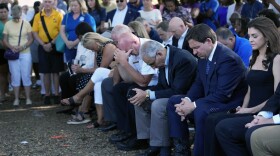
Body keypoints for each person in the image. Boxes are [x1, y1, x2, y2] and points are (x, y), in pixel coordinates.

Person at [166, 24, 248, 156]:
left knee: (201, 110)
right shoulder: (204, 56)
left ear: (208, 41)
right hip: (211, 99)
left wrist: (193, 105)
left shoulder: (228, 59)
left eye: (196, 47)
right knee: (174, 102)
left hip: (228, 103)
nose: (194, 52)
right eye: (192, 49)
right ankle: (181, 149)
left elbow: (223, 95)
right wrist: (187, 100)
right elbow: (198, 84)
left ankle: (200, 152)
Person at [214, 17, 280, 156]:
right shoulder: (252, 58)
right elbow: (249, 90)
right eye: (249, 36)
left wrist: (251, 110)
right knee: (214, 119)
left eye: (254, 36)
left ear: (267, 36)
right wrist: (243, 108)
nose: (250, 39)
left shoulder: (277, 59)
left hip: (266, 111)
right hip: (251, 110)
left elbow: (277, 96)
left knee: (223, 127)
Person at [133, 40, 197, 155]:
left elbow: (178, 90)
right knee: (139, 100)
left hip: (186, 97)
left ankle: (162, 147)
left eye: (152, 64)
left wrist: (147, 94)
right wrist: (144, 93)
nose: (153, 68)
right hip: (173, 94)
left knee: (158, 105)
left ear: (159, 54)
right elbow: (162, 86)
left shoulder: (183, 59)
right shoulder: (163, 59)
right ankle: (149, 142)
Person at [106, 24, 158, 151]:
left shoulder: (148, 47)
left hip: (156, 85)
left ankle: (139, 138)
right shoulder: (130, 48)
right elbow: (129, 79)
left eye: (117, 42)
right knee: (118, 89)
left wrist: (124, 62)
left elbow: (144, 82)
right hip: (142, 83)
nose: (130, 53)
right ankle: (126, 130)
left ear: (134, 41)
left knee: (132, 92)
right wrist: (120, 63)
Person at [61, 32, 115, 125]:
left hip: (113, 74)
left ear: (96, 42)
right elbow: (95, 68)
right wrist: (82, 70)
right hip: (102, 74)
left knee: (90, 76)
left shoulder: (109, 46)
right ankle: (89, 114)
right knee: (90, 80)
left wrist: (82, 70)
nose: (92, 50)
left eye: (92, 48)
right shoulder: (97, 50)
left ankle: (81, 105)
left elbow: (101, 68)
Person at [32, 0, 64, 105]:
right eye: (45, 2)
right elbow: (35, 32)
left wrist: (51, 43)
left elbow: (61, 32)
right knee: (45, 72)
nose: (47, 4)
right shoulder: (38, 16)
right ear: (43, 3)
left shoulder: (58, 15)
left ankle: (56, 94)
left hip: (55, 46)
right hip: (42, 46)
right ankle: (46, 95)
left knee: (55, 71)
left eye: (49, 2)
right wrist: (43, 45)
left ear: (53, 3)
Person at [59, 22, 95, 111]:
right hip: (80, 67)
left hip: (88, 70)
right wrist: (75, 66)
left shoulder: (94, 42)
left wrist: (80, 69)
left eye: (79, 36)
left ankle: (78, 102)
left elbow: (91, 62)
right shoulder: (81, 43)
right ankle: (70, 103)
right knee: (63, 77)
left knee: (73, 78)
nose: (79, 38)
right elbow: (78, 58)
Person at [3, 5, 34, 106]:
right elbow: (4, 40)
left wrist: (22, 47)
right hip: (13, 53)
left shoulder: (26, 24)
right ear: (12, 15)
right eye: (15, 17)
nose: (17, 19)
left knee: (26, 75)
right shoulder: (8, 24)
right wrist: (11, 47)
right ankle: (16, 98)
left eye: (18, 17)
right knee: (15, 75)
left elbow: (31, 39)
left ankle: (28, 98)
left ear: (21, 14)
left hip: (25, 53)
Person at [246, 82, 280, 156]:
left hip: (276, 117)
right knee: (225, 127)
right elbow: (277, 96)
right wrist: (262, 117)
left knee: (255, 136)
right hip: (271, 114)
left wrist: (272, 120)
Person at [0, 3, 9, 104]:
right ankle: (2, 93)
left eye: (4, 12)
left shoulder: (12, 20)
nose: (3, 14)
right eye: (1, 12)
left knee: (13, 72)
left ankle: (18, 93)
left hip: (13, 49)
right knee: (2, 72)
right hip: (1, 50)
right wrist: (4, 44)